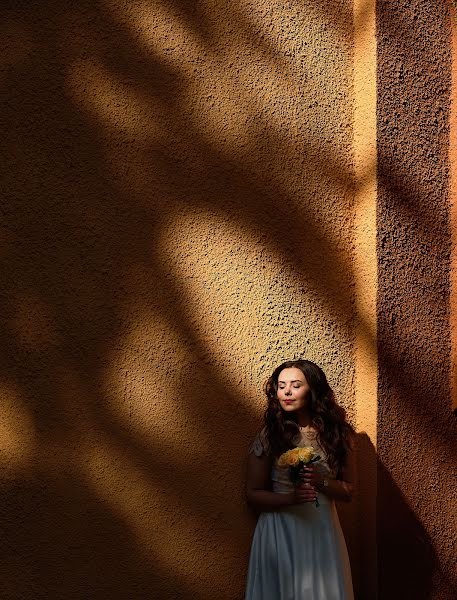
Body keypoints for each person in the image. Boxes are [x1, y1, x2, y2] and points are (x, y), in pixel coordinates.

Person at [245, 359, 355, 600]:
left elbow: (348, 491)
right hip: (280, 530)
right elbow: (252, 493)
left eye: (295, 385)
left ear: (313, 390)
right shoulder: (270, 435)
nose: (286, 391)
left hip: (320, 530)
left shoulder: (336, 435)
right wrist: (290, 498)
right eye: (281, 385)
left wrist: (321, 481)